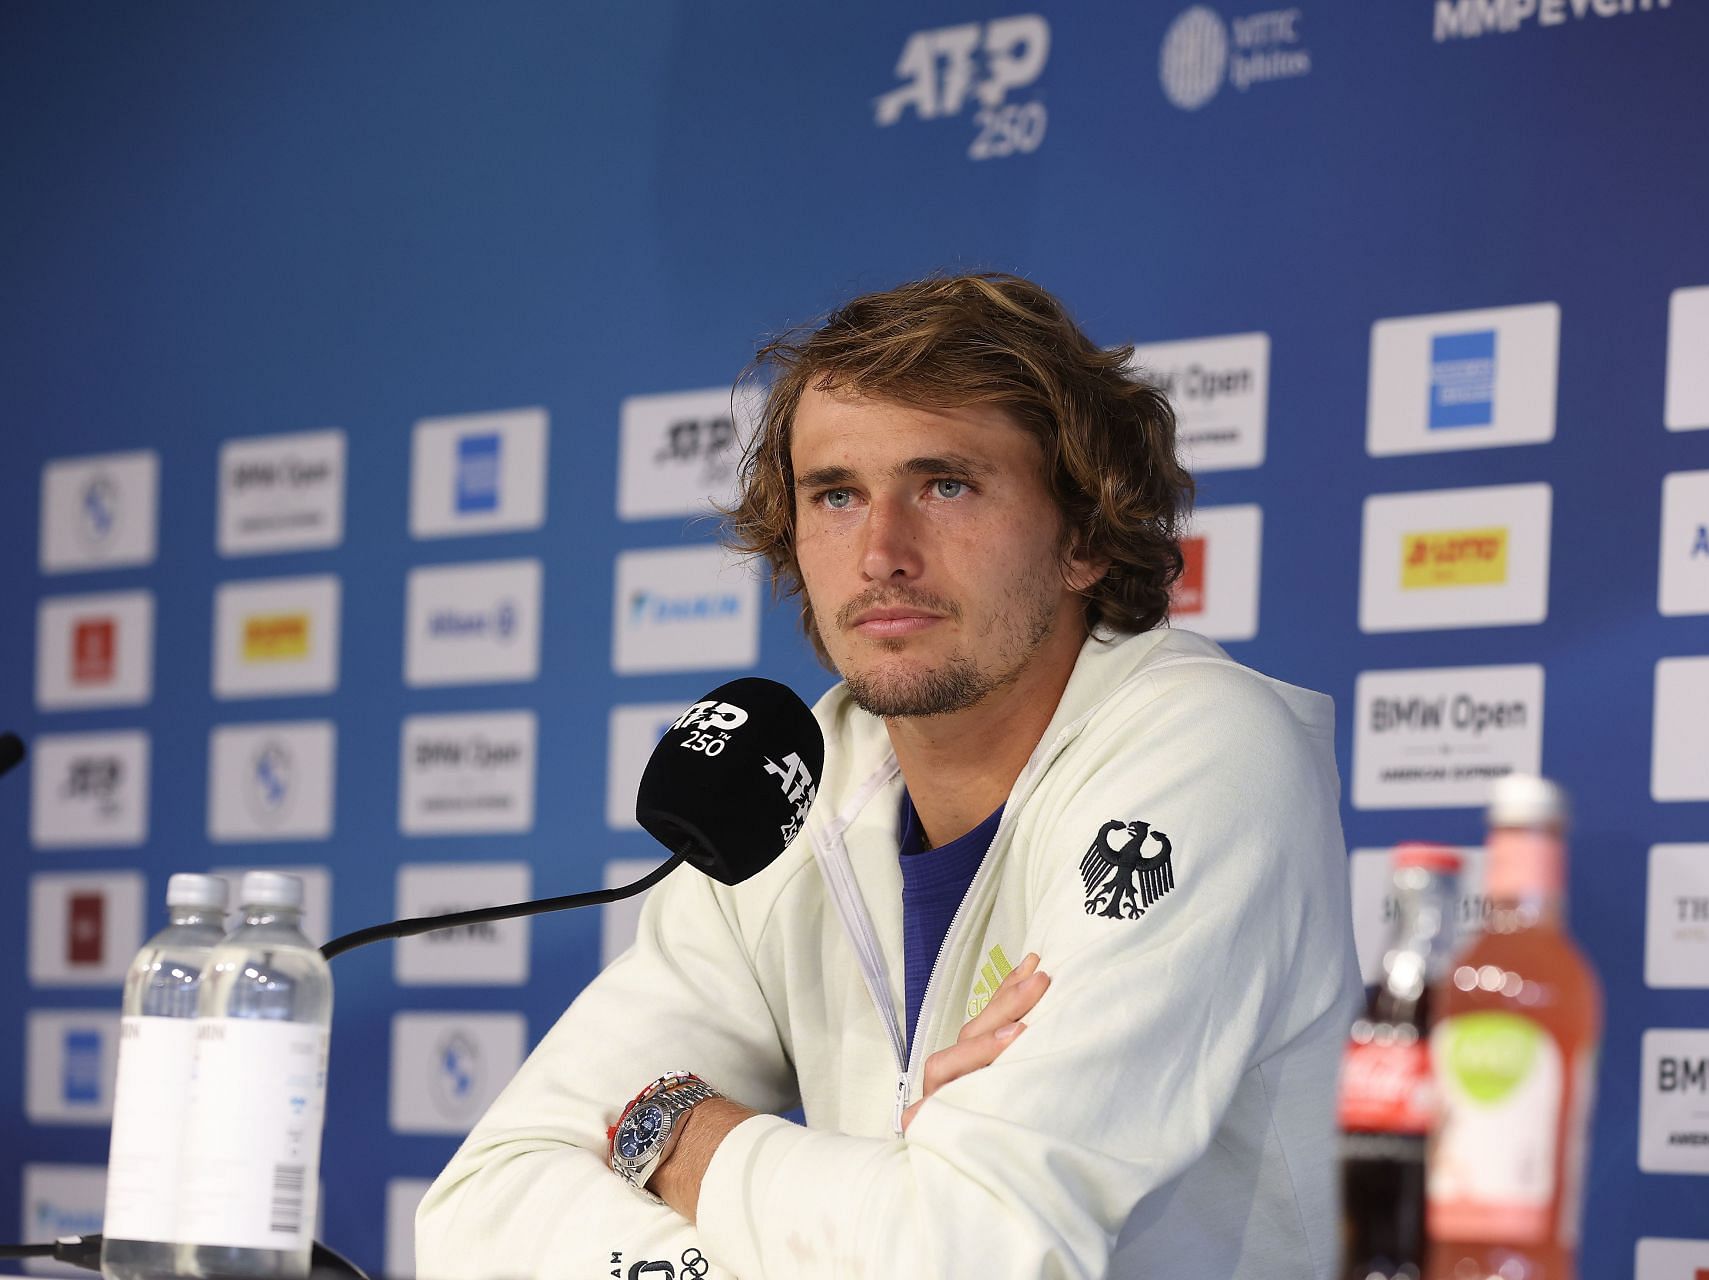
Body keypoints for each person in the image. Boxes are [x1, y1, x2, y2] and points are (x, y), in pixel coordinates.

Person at [416, 273, 1358, 1279]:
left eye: (946, 484)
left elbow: (975, 1250)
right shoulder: (797, 788)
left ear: (1082, 534)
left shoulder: (1203, 749)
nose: (881, 553)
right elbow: (478, 1213)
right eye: (836, 494)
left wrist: (676, 1130)